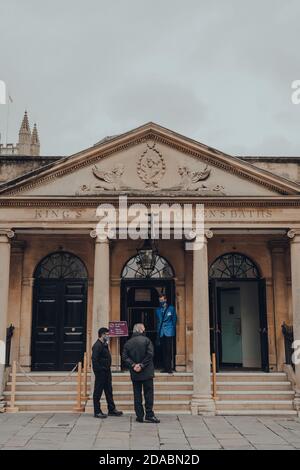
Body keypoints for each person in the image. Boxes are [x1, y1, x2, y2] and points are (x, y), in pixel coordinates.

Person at [122, 323, 160, 423]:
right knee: (148, 394)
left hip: (135, 373)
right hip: (147, 372)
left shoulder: (128, 343)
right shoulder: (147, 340)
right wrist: (142, 365)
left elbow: (125, 357)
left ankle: (139, 416)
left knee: (137, 395)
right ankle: (149, 415)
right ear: (140, 330)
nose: (144, 330)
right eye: (143, 329)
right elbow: (150, 354)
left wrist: (134, 365)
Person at [92, 327, 123, 418]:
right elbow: (94, 360)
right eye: (107, 334)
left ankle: (112, 409)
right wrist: (99, 371)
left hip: (107, 371)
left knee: (109, 390)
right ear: (102, 335)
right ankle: (97, 411)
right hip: (101, 372)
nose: (108, 336)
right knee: (98, 391)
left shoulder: (104, 344)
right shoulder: (97, 345)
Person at [156, 294, 177, 374]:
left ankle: (170, 368)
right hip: (161, 332)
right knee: (163, 350)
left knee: (169, 350)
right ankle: (165, 367)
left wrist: (172, 328)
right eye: (160, 300)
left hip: (169, 331)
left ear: (165, 300)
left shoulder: (171, 308)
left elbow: (174, 319)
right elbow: (158, 321)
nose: (161, 302)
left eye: (162, 300)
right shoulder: (157, 310)